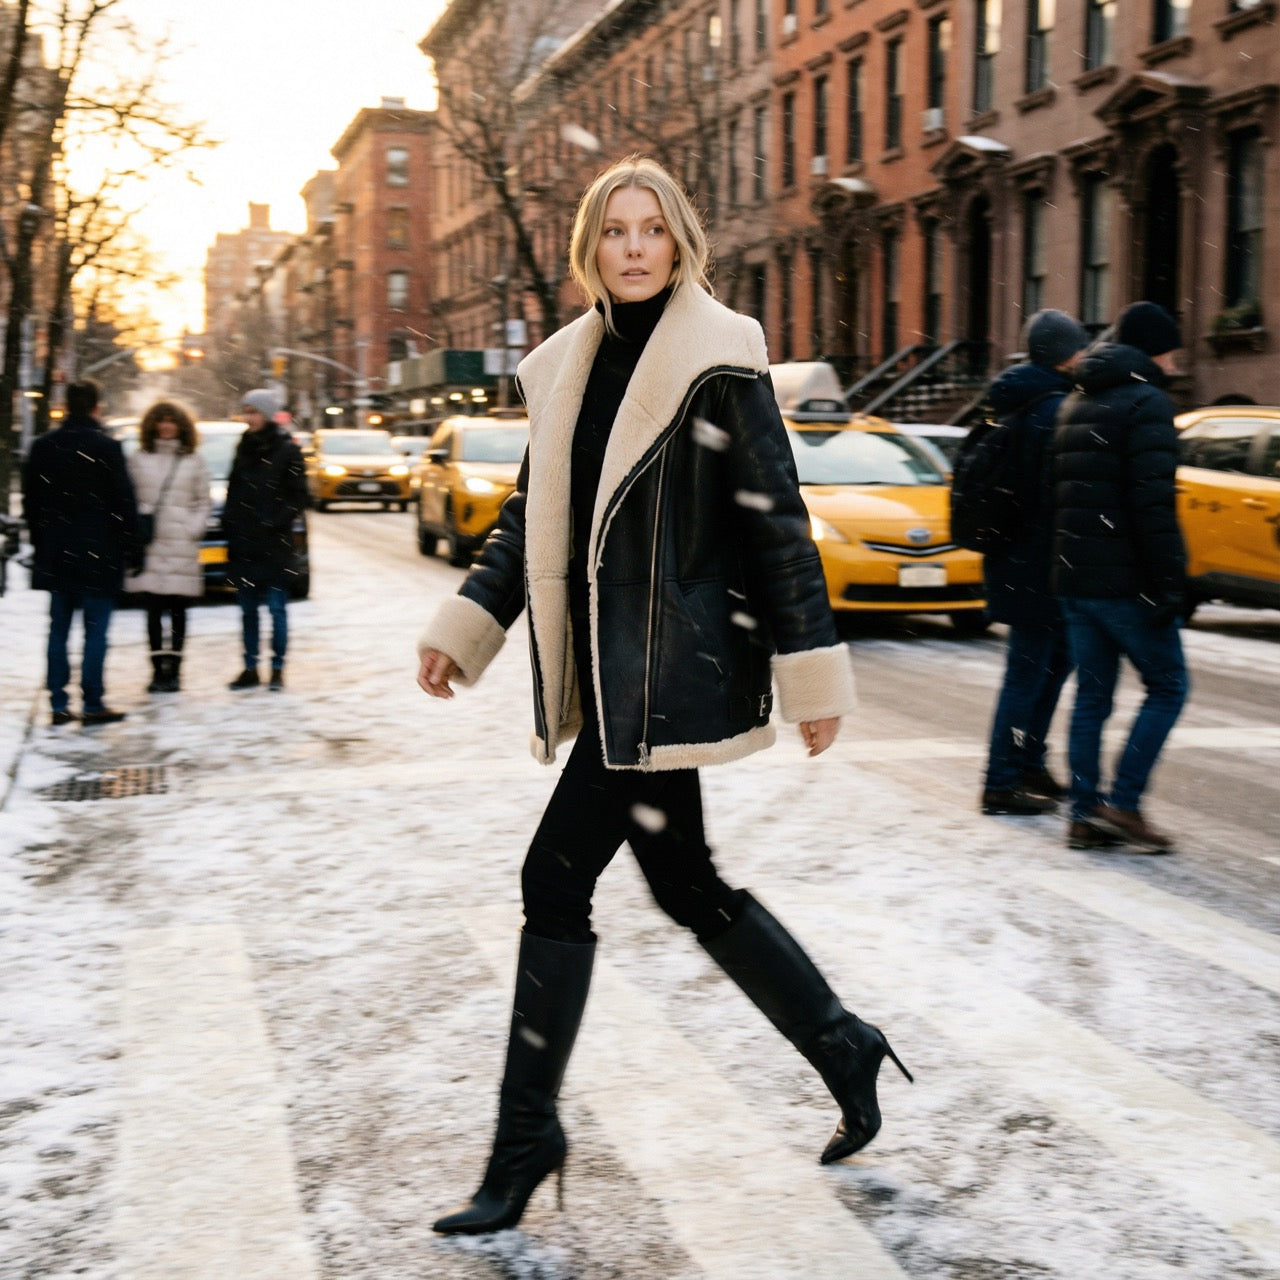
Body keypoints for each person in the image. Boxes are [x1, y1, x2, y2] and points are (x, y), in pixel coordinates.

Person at [418, 155, 910, 1237]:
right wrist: (469, 626)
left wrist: (809, 670)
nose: (633, 247)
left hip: (671, 671)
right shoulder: (569, 366)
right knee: (687, 884)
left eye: (651, 228)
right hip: (602, 675)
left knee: (552, 877)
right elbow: (528, 521)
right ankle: (840, 1041)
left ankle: (523, 1140)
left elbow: (774, 521)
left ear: (679, 240)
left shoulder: (719, 360)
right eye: (613, 230)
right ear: (589, 246)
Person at [1049, 301, 1190, 852]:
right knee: (1169, 687)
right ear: (1157, 349)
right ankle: (1124, 805)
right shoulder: (1147, 403)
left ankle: (1085, 814)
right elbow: (1152, 505)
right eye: (1173, 349)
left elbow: (1058, 495)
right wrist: (1168, 583)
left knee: (1092, 696)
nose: (1177, 360)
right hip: (1125, 580)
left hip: (1076, 577)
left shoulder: (1076, 400)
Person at [979, 310, 1089, 816]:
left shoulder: (1019, 403)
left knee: (1047, 670)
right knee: (1029, 676)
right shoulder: (1052, 412)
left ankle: (1027, 763)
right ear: (1065, 354)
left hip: (1026, 567)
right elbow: (1052, 502)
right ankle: (1002, 780)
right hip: (1040, 570)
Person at [21, 378, 138, 726]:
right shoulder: (106, 447)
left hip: (58, 553)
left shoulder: (44, 447)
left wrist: (43, 542)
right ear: (95, 406)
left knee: (58, 630)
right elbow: (123, 501)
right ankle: (92, 702)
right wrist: (130, 545)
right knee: (95, 632)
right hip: (99, 552)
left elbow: (32, 503)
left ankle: (58, 703)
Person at [223, 388, 308, 691]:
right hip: (246, 543)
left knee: (275, 609)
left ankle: (276, 668)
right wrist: (231, 525)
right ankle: (250, 667)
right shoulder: (243, 447)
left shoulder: (287, 449)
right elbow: (234, 491)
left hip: (274, 544)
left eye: (254, 411)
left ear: (268, 414)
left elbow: (299, 496)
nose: (249, 417)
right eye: (246, 411)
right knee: (247, 610)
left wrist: (274, 521)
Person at [124, 400, 212, 693]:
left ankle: (174, 671)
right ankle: (155, 671)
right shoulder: (138, 459)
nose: (165, 426)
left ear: (181, 426)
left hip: (181, 544)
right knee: (152, 611)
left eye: (171, 421)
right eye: (160, 421)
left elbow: (203, 501)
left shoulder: (194, 460)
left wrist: (193, 528)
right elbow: (128, 499)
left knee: (177, 611)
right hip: (150, 545)